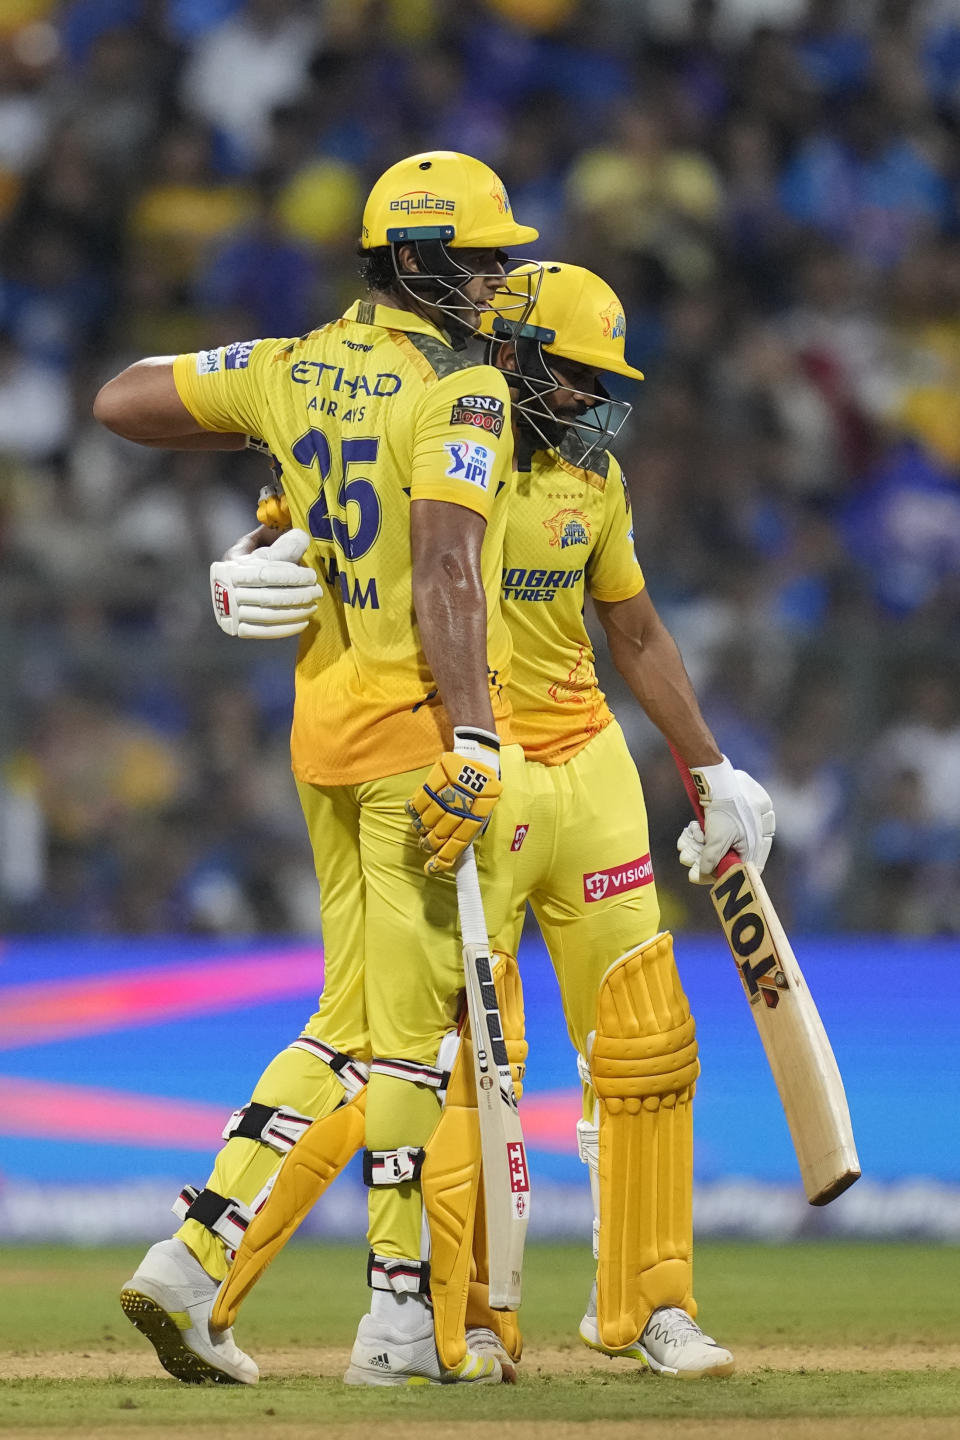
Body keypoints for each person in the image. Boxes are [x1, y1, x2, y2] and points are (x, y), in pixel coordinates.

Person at [210, 262, 775, 1380]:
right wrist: (256, 551)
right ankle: (452, 1319)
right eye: (573, 377)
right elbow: (325, 523)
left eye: (603, 382)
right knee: (454, 1060)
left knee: (647, 1044)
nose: (591, 402)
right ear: (511, 355)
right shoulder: (434, 426)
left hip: (591, 767)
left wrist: (710, 770)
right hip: (470, 768)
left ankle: (651, 1309)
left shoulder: (592, 476)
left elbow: (640, 635)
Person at [93, 149, 542, 1388]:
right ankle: (394, 1324)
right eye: (485, 258)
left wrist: (274, 509)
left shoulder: (290, 365)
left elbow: (123, 401)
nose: (502, 280)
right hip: (416, 737)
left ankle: (193, 1259)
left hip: (322, 734)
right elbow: (449, 566)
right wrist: (477, 735)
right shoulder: (462, 395)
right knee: (405, 1040)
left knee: (352, 1018)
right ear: (421, 261)